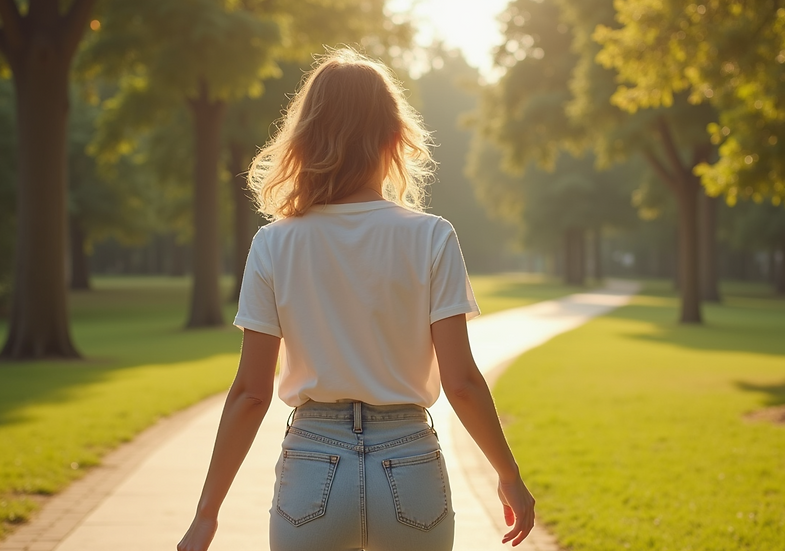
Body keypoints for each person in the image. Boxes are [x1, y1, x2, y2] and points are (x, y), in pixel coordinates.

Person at [177, 48, 535, 551]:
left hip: (312, 466)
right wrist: (508, 475)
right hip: (409, 462)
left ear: (306, 137)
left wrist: (206, 514)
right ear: (394, 137)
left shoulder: (275, 243)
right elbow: (463, 383)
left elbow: (251, 393)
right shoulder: (432, 236)